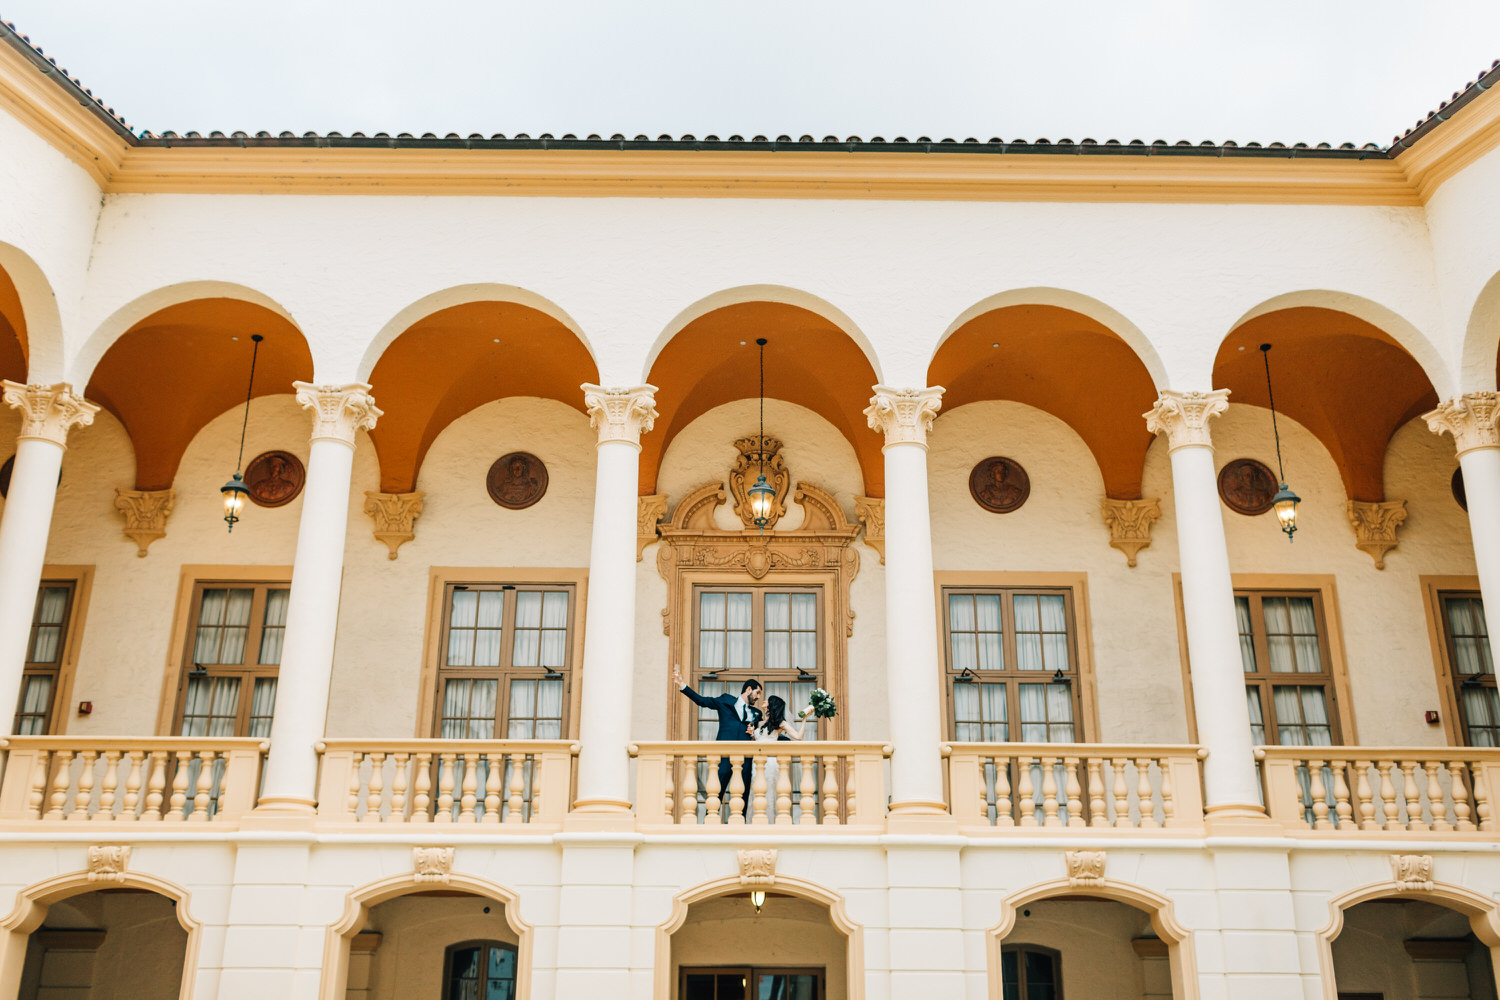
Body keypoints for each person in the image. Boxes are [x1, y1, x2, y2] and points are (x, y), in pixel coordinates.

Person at [673, 667, 762, 812]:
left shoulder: (757, 713)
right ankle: (709, 820)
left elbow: (762, 734)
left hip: (745, 758)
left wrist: (753, 733)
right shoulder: (725, 700)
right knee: (716, 791)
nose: (758, 697)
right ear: (749, 689)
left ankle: (741, 825)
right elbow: (702, 701)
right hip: (724, 754)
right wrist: (682, 685)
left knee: (743, 794)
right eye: (757, 692)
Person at [751, 695, 808, 803]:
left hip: (770, 761)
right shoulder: (760, 723)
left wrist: (804, 719)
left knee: (768, 791)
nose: (764, 700)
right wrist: (751, 734)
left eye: (768, 700)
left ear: (772, 705)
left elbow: (798, 736)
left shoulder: (780, 723)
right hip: (757, 761)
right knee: (756, 790)